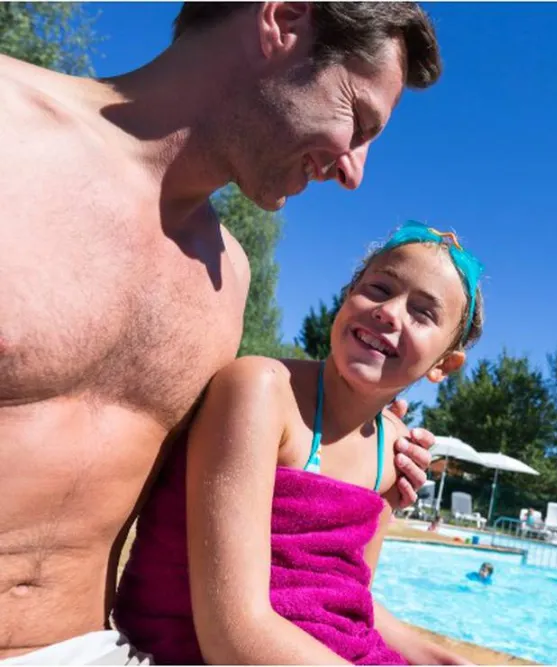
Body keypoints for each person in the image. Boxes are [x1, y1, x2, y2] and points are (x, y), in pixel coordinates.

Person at [0, 3, 443, 663]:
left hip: (95, 649)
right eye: (358, 118)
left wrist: (363, 445)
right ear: (283, 21)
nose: (355, 171)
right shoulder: (11, 134)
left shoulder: (227, 274)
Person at [114, 222, 484, 665]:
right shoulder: (262, 391)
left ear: (444, 364)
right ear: (347, 297)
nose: (389, 311)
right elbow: (233, 634)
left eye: (423, 313)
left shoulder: (394, 451)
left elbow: (349, 595)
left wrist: (442, 659)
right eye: (379, 288)